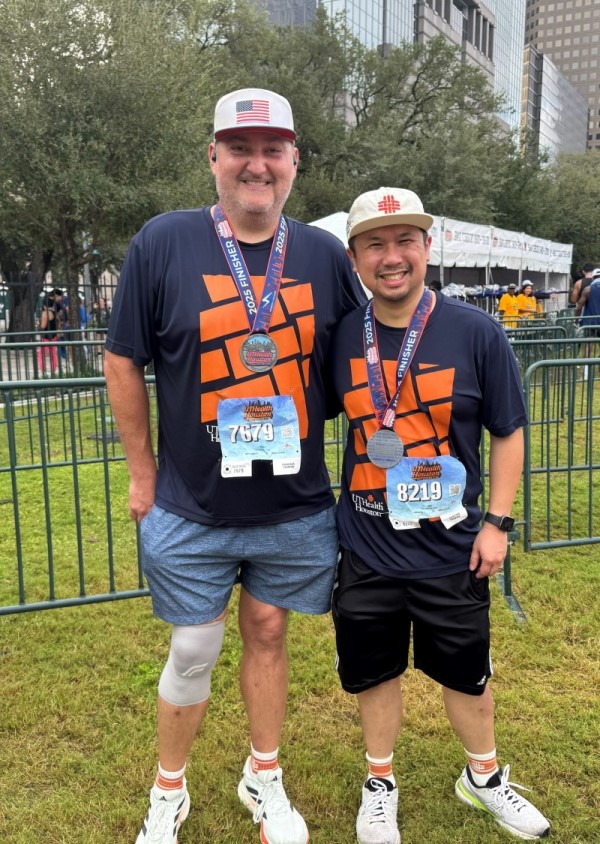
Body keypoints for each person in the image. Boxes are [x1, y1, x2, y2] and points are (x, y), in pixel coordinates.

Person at [104, 87, 365, 844]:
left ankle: (263, 775)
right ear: (213, 157)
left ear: (294, 161)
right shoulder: (163, 241)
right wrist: (142, 474)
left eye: (273, 149)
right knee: (194, 648)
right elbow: (122, 360)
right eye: (241, 149)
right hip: (191, 501)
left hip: (292, 505)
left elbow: (361, 361)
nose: (258, 164)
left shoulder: (323, 255)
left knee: (269, 631)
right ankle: (169, 789)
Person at [328, 187, 551, 842]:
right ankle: (379, 783)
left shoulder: (477, 332)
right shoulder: (341, 336)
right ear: (355, 258)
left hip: (453, 545)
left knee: (467, 673)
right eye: (375, 244)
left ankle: (482, 777)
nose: (391, 256)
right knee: (375, 672)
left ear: (428, 247)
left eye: (405, 241)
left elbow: (508, 431)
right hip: (366, 544)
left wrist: (498, 523)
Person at [37, 288, 63, 375]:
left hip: (46, 334)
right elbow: (59, 320)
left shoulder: (46, 313)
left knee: (41, 353)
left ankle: (43, 370)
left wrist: (39, 327)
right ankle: (53, 370)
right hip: (53, 333)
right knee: (52, 353)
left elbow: (43, 325)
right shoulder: (55, 312)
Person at [575, 267, 600, 337]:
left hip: (590, 322)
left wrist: (576, 320)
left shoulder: (587, 290)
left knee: (589, 341)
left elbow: (579, 307)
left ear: (592, 278)